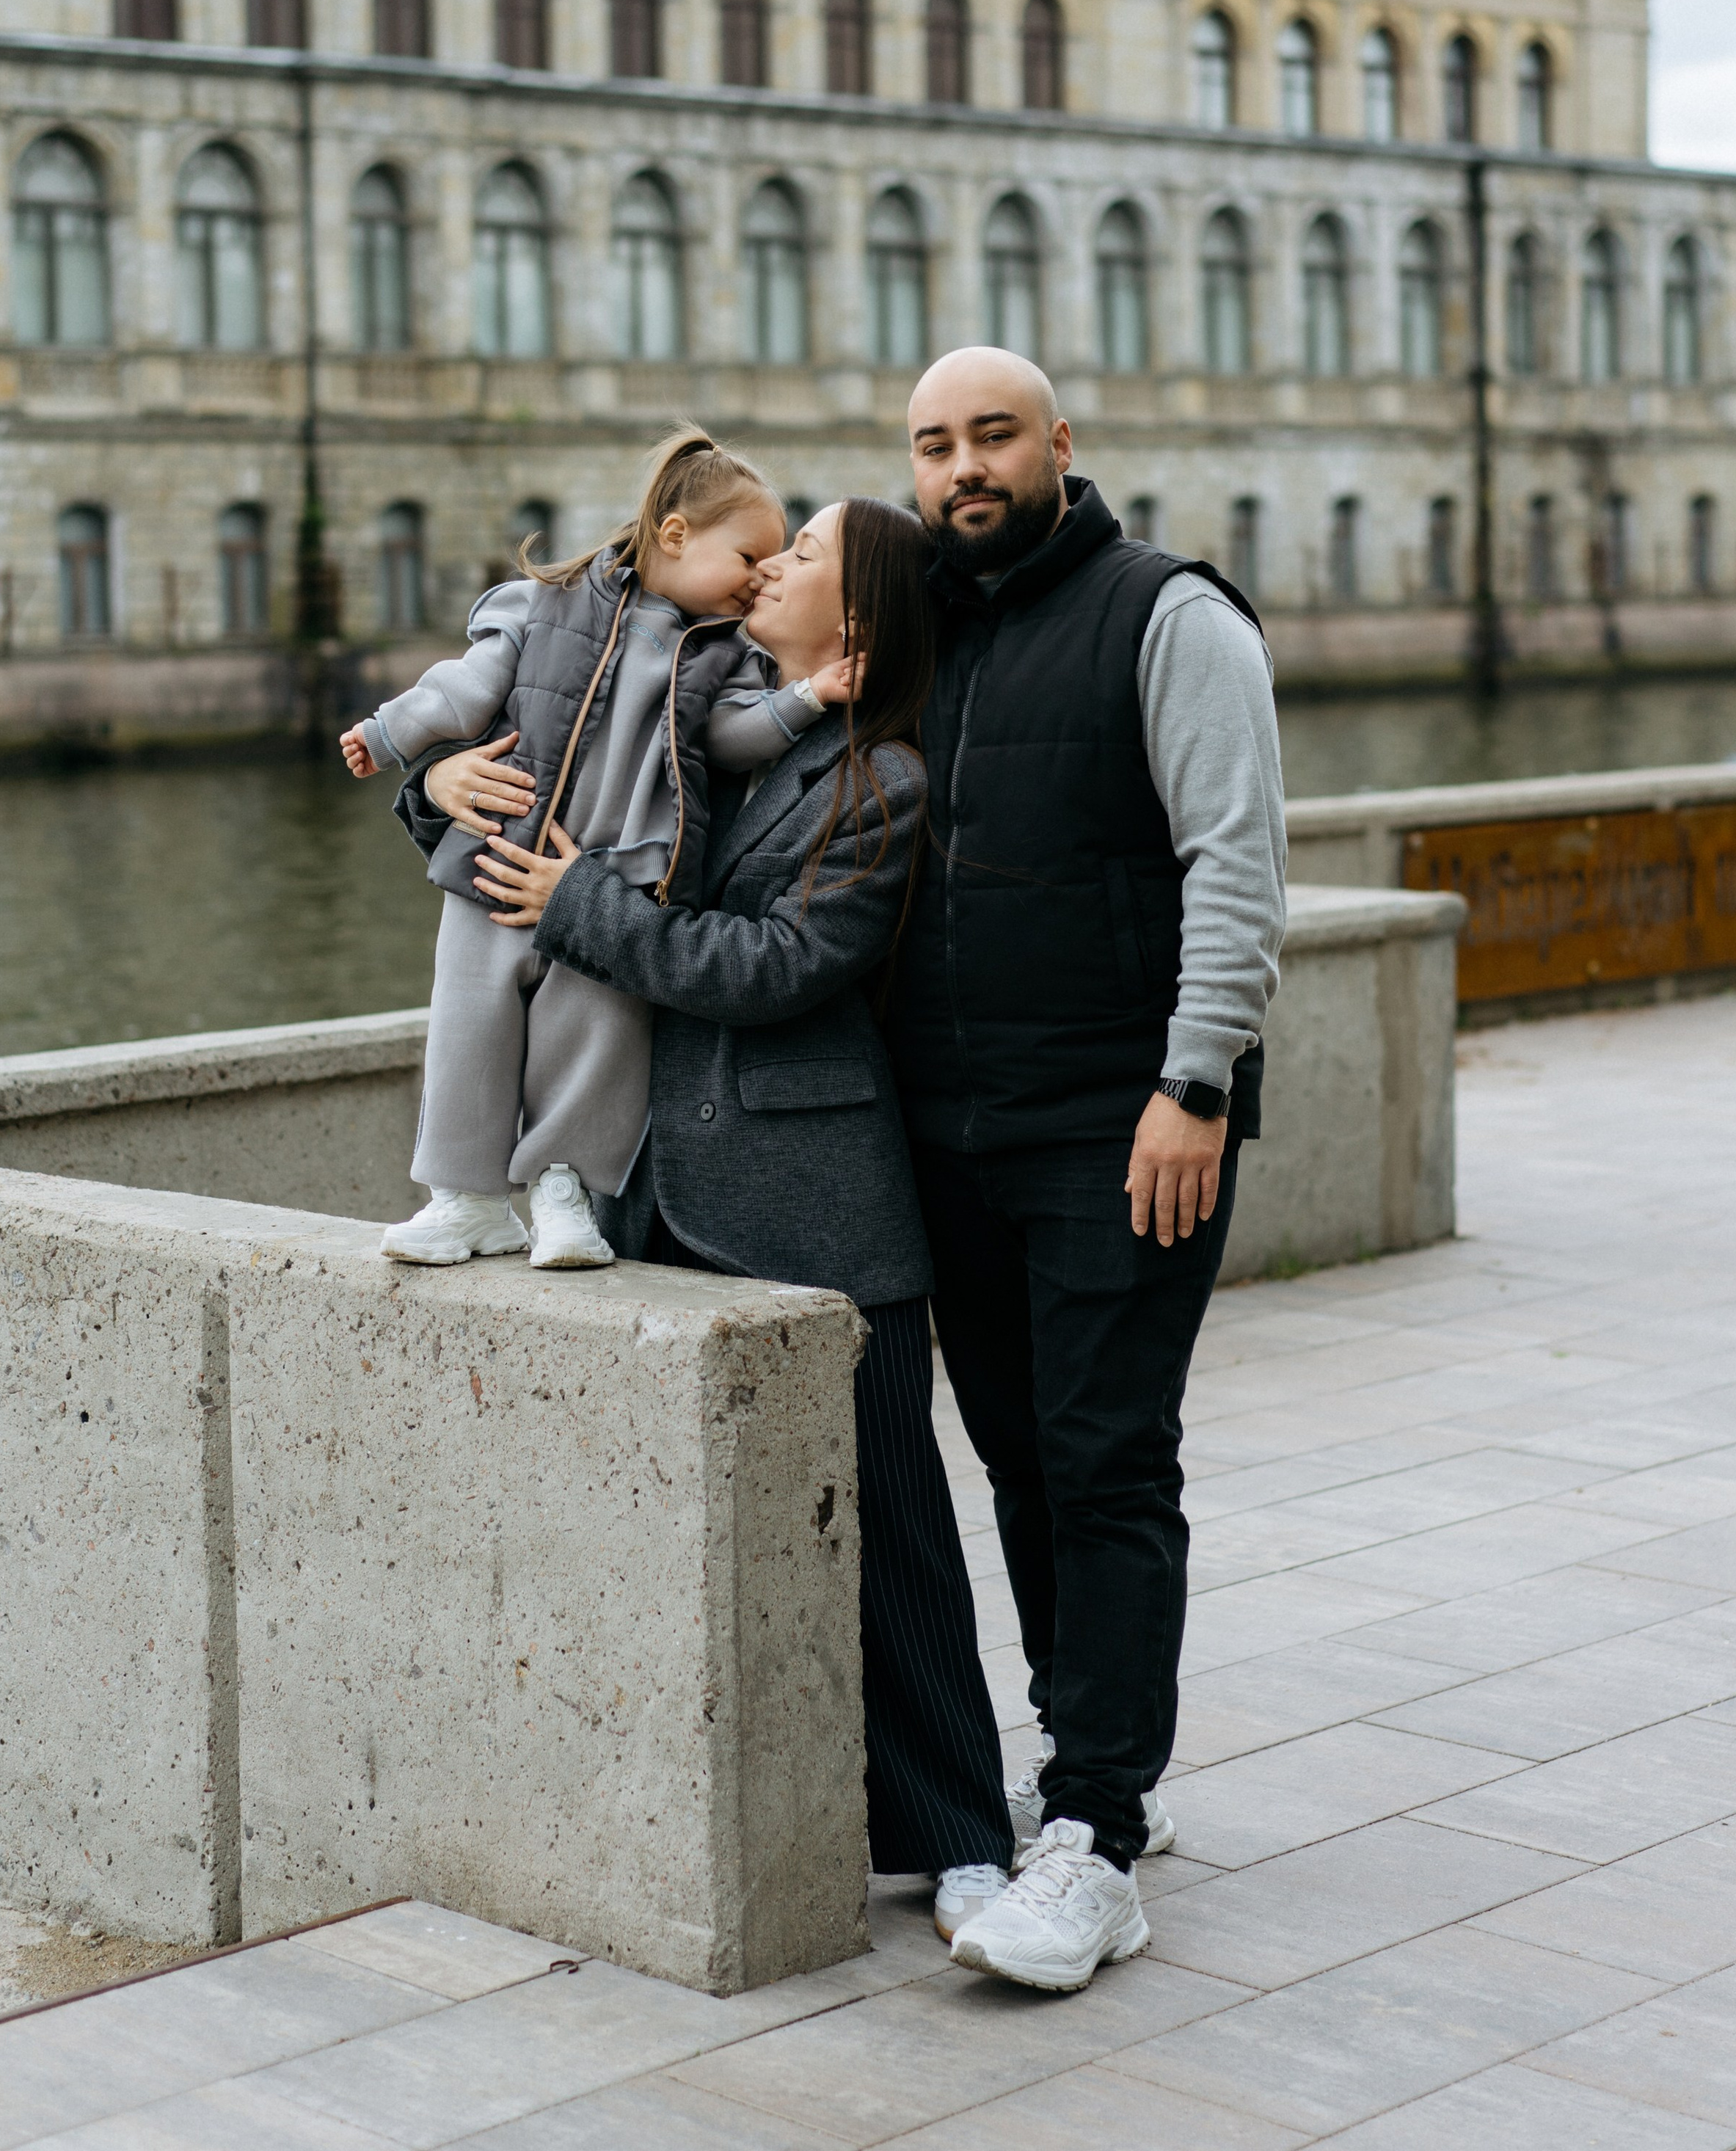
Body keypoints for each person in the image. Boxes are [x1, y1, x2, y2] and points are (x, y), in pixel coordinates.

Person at [427, 498, 1019, 1939]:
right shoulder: (709, 702)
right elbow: (544, 745)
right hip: (642, 1185)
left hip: (816, 1205)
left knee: (894, 1543)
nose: (771, 566)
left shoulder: (884, 780)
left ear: (859, 629)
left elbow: (776, 964)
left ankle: (959, 1839)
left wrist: (580, 909)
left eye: (803, 557)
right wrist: (433, 778)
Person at [889, 346, 1286, 1995]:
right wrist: (442, 772)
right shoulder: (916, 622)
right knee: (1023, 1462)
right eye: (932, 445)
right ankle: (1086, 1761)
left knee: (1106, 1457)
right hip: (952, 1129)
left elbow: (1235, 861)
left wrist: (1194, 1083)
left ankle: (1097, 1843)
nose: (963, 467)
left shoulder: (1166, 615)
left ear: (1061, 444)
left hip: (1126, 1125)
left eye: (992, 435)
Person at [342, 426, 850, 1267]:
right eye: (750, 553)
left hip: (621, 882)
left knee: (596, 1033)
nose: (761, 574)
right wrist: (395, 738)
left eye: (778, 559)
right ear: (677, 535)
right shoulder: (543, 603)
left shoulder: (725, 655)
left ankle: (564, 1191)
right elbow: (467, 689)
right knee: (469, 1018)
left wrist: (803, 698)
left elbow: (732, 739)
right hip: (501, 861)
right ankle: (464, 1198)